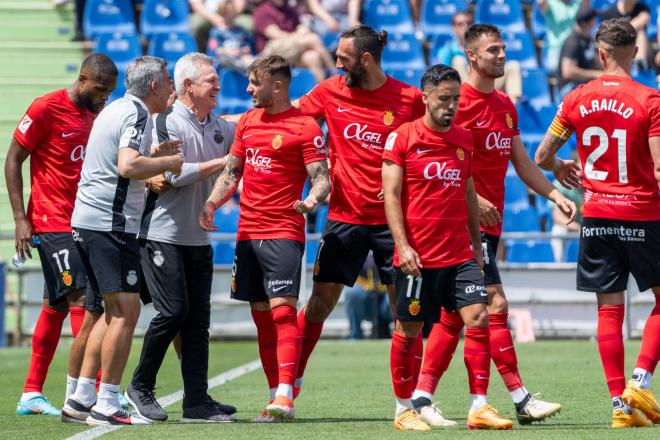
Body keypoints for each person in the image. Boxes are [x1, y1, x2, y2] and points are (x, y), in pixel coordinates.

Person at [411, 24, 576, 428]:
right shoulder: (453, 102)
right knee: (494, 305)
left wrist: (553, 194)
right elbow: (428, 159)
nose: (501, 55)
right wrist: (473, 199)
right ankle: (517, 398)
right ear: (472, 56)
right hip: (461, 224)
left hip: (490, 225)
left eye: (503, 49)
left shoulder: (504, 104)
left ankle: (422, 396)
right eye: (493, 50)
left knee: (456, 315)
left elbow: (521, 162)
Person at [291, 24, 427, 404]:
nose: (337, 64)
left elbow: (430, 147)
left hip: (394, 222)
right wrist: (227, 125)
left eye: (343, 59)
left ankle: (410, 400)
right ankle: (290, 384)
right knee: (319, 304)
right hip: (345, 217)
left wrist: (407, 183)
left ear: (366, 59)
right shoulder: (330, 91)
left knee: (406, 314)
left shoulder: (410, 99)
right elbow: (285, 119)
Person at [536, 18, 660, 429]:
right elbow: (659, 169)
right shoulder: (650, 100)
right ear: (635, 52)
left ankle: (619, 408)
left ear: (600, 53)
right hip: (642, 213)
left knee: (608, 311)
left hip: (597, 215)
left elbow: (541, 156)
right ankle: (640, 381)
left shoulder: (575, 98)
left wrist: (560, 165)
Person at [199, 55, 331, 421]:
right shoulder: (249, 122)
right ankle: (274, 397)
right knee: (260, 314)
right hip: (247, 232)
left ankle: (287, 393)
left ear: (277, 85)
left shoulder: (306, 127)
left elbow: (321, 177)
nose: (248, 89)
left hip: (284, 231)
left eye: (254, 83)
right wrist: (212, 202)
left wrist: (311, 199)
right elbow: (232, 171)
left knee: (283, 311)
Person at [383, 64, 512, 431]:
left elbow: (469, 191)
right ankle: (403, 408)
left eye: (456, 99)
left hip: (458, 253)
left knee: (479, 317)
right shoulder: (402, 138)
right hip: (418, 257)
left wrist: (475, 242)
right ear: (425, 97)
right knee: (409, 330)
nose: (451, 106)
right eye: (444, 99)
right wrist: (402, 245)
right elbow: (390, 196)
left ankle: (480, 406)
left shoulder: (463, 139)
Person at [62, 56, 183, 426]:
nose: (170, 89)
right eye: (167, 81)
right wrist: (169, 163)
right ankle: (108, 403)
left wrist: (154, 156)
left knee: (104, 312)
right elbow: (127, 166)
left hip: (87, 221)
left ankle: (81, 398)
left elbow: (123, 161)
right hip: (111, 225)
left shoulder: (114, 109)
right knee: (126, 313)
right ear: (153, 87)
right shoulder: (138, 114)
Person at [124, 53, 237, 423]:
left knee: (197, 323)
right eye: (211, 81)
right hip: (161, 235)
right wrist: (223, 163)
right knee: (173, 311)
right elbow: (171, 176)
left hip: (198, 240)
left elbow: (249, 132)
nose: (218, 87)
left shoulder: (220, 126)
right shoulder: (164, 122)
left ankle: (197, 402)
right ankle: (138, 388)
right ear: (188, 86)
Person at [5, 54, 118, 417]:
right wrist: (21, 219)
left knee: (54, 306)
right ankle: (94, 391)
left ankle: (31, 393)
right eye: (100, 90)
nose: (104, 98)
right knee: (84, 299)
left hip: (85, 222)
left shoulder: (96, 116)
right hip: (51, 221)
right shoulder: (45, 108)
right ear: (83, 80)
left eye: (110, 92)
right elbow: (12, 160)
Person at [431, 11, 522, 103]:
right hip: (462, 91)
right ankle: (470, 98)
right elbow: (440, 77)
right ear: (453, 28)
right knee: (458, 60)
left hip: (489, 83)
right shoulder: (447, 51)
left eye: (468, 23)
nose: (465, 26)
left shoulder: (484, 45)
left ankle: (513, 107)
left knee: (513, 66)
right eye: (460, 24)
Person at [253, 0, 335, 82]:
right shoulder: (262, 11)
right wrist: (299, 35)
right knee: (313, 39)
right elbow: (275, 34)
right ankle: (334, 73)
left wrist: (303, 29)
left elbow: (298, 26)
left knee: (313, 57)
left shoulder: (288, 9)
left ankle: (321, 90)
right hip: (271, 54)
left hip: (292, 50)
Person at [558, 5, 602, 98]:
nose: (595, 23)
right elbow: (568, 72)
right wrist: (597, 74)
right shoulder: (573, 42)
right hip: (569, 88)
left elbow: (595, 61)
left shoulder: (588, 38)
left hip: (584, 84)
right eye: (593, 20)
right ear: (586, 23)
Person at [538, 0, 589, 73]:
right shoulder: (550, 3)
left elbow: (587, 11)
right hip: (557, 50)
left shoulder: (577, 2)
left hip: (575, 49)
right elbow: (541, 5)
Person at [600, 0, 650, 68]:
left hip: (635, 43)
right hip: (617, 45)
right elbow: (607, 38)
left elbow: (644, 19)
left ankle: (640, 63)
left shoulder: (642, 8)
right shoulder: (608, 14)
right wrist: (631, 27)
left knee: (641, 31)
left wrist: (620, 31)